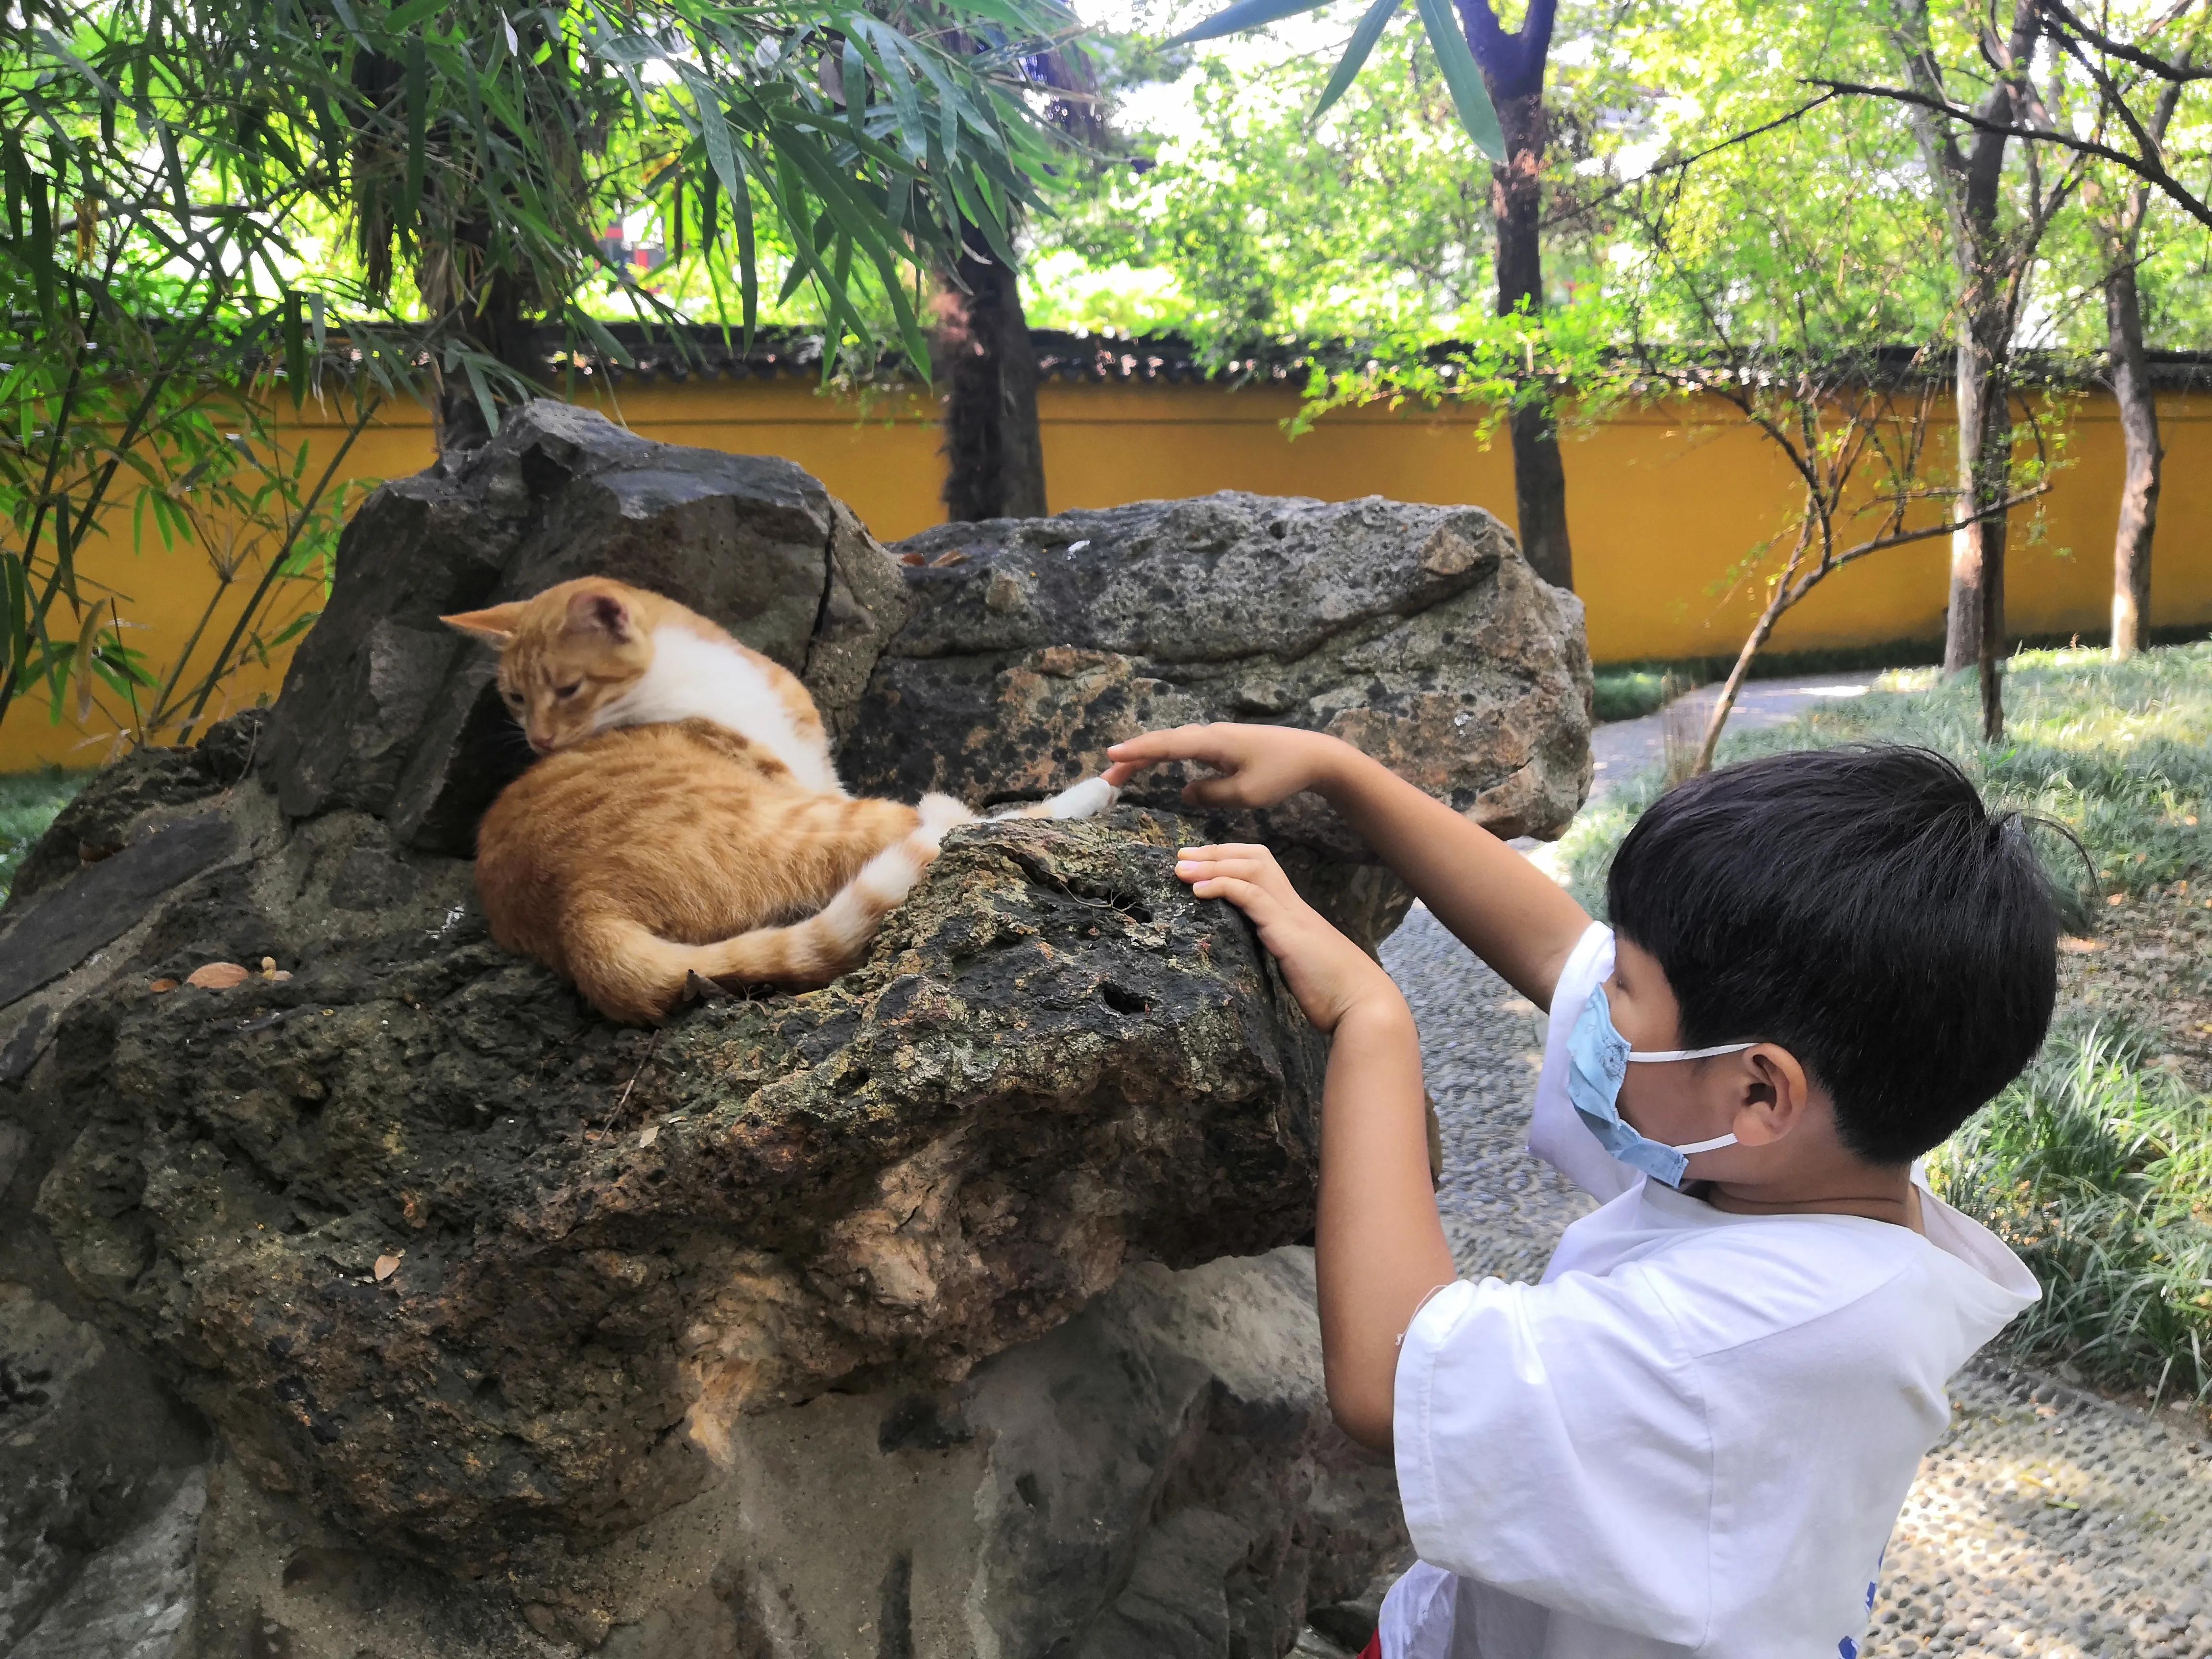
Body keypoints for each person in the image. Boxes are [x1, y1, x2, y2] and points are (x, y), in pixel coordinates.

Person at [1100, 728, 2055, 1659]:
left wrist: (1371, 1022)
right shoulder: (1817, 1160)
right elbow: (1560, 949)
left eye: (1627, 989)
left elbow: (1390, 1378)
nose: (1597, 996)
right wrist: (1340, 774)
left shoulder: (1754, 1345)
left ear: (1760, 1091)